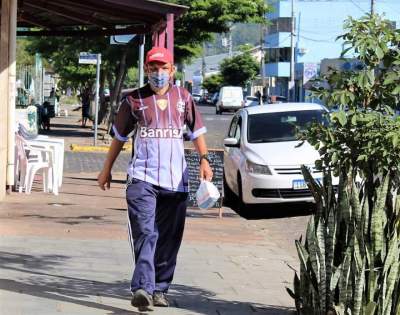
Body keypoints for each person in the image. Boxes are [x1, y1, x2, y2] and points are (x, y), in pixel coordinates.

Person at [97, 46, 213, 311]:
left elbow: (197, 132)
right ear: (146, 70)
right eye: (153, 68)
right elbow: (119, 137)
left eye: (163, 68)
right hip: (142, 179)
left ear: (172, 70)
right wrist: (106, 170)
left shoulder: (184, 98)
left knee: (169, 238)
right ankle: (142, 288)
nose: (158, 73)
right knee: (146, 233)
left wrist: (204, 161)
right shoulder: (134, 100)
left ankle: (160, 288)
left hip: (176, 181)